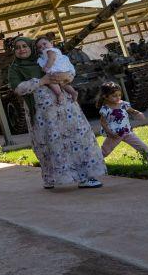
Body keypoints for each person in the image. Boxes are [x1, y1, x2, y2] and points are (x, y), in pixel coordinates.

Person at [6, 36, 107, 190]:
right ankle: (52, 177)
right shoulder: (15, 68)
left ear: (31, 47)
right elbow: (18, 88)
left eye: (24, 46)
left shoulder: (45, 57)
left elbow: (67, 71)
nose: (21, 50)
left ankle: (85, 177)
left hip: (66, 109)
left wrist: (67, 76)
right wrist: (41, 81)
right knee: (50, 144)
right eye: (18, 47)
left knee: (77, 138)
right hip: (43, 115)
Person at [97, 81, 148, 171]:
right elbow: (103, 122)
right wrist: (110, 133)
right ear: (105, 96)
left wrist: (138, 113)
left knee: (143, 147)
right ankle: (94, 165)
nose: (118, 97)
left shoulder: (123, 104)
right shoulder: (105, 109)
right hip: (114, 135)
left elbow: (132, 111)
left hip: (127, 132)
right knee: (104, 151)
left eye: (119, 95)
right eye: (114, 96)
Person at [34, 36, 78, 104]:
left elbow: (52, 59)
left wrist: (46, 67)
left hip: (59, 71)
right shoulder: (50, 52)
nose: (43, 47)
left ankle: (59, 94)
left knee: (51, 82)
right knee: (64, 84)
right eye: (40, 47)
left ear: (51, 43)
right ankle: (73, 92)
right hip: (64, 72)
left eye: (44, 44)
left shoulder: (50, 51)